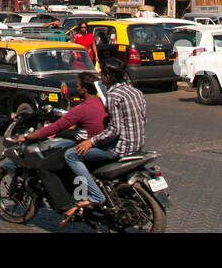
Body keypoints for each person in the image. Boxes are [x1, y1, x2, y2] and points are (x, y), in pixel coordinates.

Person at [17, 72, 108, 221]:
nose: (77, 87)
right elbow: (89, 122)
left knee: (45, 166)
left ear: (84, 89)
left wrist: (27, 137)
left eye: (78, 85)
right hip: (99, 145)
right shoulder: (101, 103)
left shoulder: (82, 108)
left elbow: (54, 128)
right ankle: (76, 193)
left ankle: (65, 206)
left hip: (87, 147)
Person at [63, 58, 146, 209]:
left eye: (102, 74)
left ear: (108, 77)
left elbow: (115, 129)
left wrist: (91, 142)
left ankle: (96, 195)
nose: (101, 77)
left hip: (121, 148)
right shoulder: (136, 92)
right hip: (138, 144)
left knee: (71, 155)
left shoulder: (113, 95)